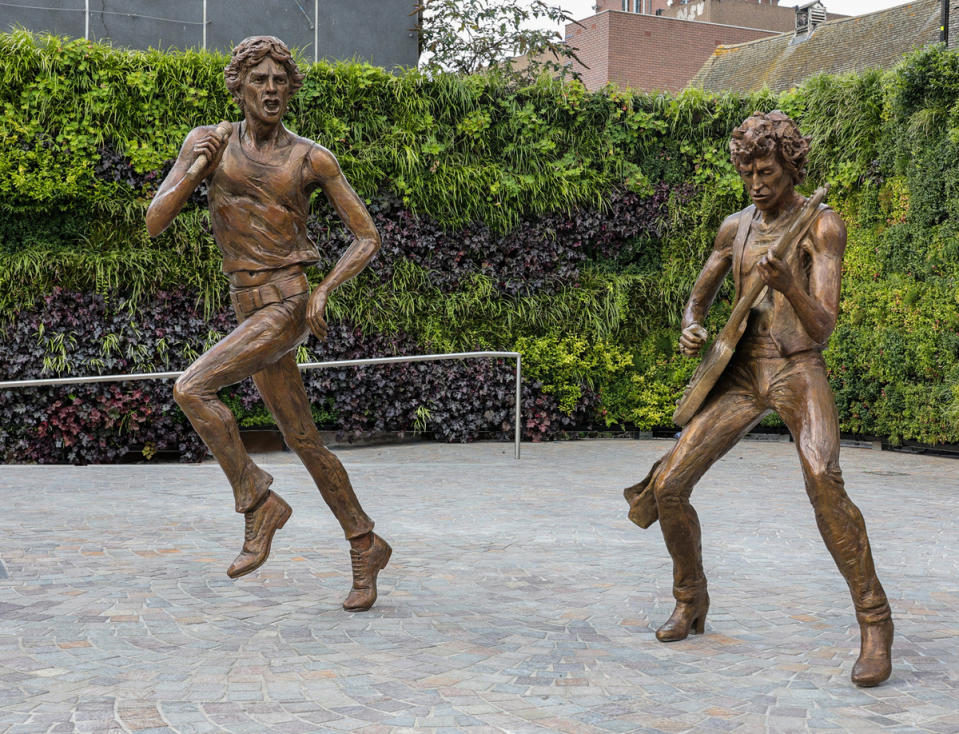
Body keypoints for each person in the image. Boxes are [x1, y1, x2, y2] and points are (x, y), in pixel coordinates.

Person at [624, 111, 893, 686]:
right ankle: (690, 598)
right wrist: (691, 325)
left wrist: (788, 283)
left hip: (798, 367)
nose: (755, 184)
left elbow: (822, 327)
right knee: (669, 486)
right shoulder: (735, 227)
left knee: (824, 479)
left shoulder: (822, 227)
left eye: (766, 171)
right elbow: (700, 296)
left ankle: (875, 622)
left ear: (791, 167)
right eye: (747, 172)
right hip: (742, 371)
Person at [146, 36, 390, 612]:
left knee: (192, 387)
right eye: (259, 80)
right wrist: (196, 169)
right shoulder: (209, 142)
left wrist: (324, 291)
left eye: (280, 80)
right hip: (246, 305)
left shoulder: (311, 157)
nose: (272, 90)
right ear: (239, 86)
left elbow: (367, 236)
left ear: (291, 89)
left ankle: (257, 499)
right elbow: (156, 220)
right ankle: (365, 541)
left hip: (286, 303)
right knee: (303, 438)